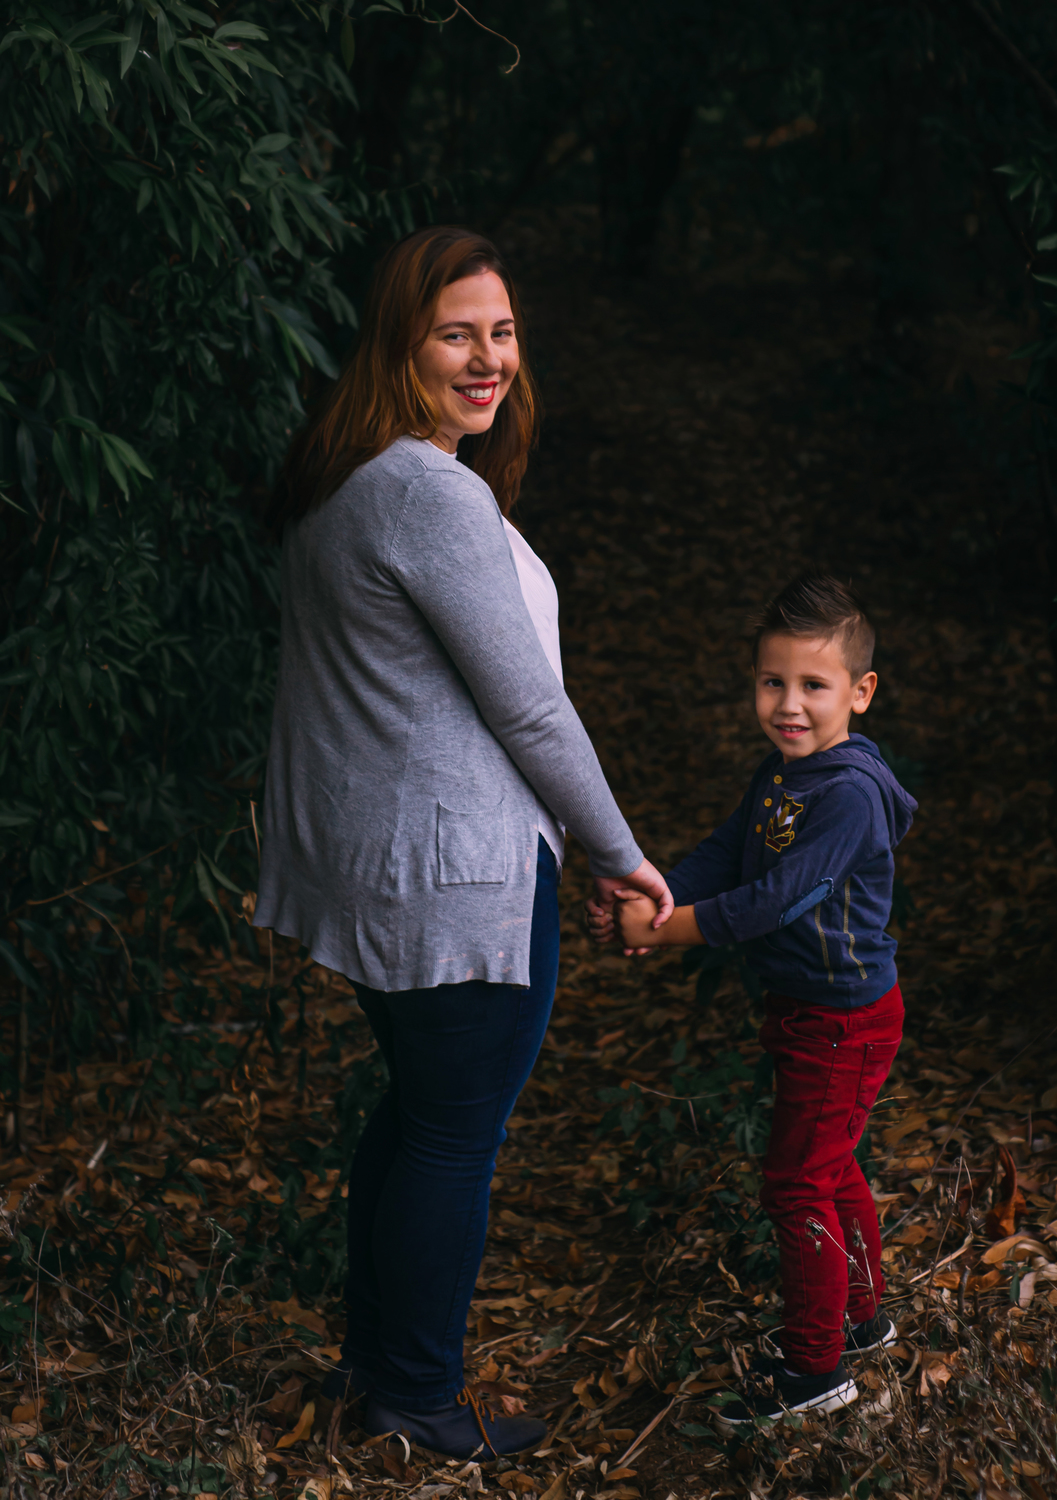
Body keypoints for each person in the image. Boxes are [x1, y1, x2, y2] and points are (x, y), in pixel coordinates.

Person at [257, 226, 671, 1460]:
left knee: (421, 1114)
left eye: (501, 331)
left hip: (388, 870)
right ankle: (418, 1406)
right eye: (456, 333)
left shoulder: (351, 473)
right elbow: (529, 706)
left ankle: (379, 1370)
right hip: (453, 878)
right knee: (453, 1133)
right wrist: (618, 853)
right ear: (402, 342)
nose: (488, 359)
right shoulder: (424, 490)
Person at [592, 575, 915, 1422]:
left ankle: (815, 1370)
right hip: (813, 1012)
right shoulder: (781, 777)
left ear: (861, 692)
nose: (789, 704)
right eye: (773, 682)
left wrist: (667, 931)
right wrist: (654, 893)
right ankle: (862, 1317)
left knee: (794, 1184)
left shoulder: (846, 796)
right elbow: (729, 852)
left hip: (846, 1019)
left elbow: (773, 899)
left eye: (814, 685)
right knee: (829, 1162)